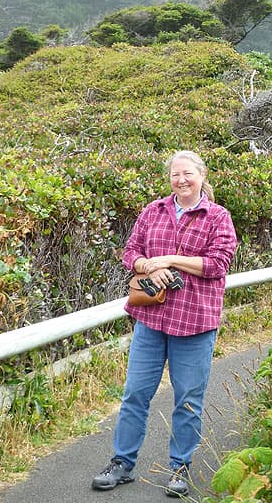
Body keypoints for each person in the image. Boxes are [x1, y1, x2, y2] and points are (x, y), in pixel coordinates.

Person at [91, 150, 238, 498]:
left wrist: (171, 259)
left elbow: (218, 264)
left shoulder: (218, 217)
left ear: (201, 175)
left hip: (195, 323)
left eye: (187, 173)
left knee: (187, 399)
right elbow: (130, 253)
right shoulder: (153, 211)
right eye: (175, 175)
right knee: (135, 394)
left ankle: (179, 468)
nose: (181, 180)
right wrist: (148, 267)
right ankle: (122, 464)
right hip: (151, 320)